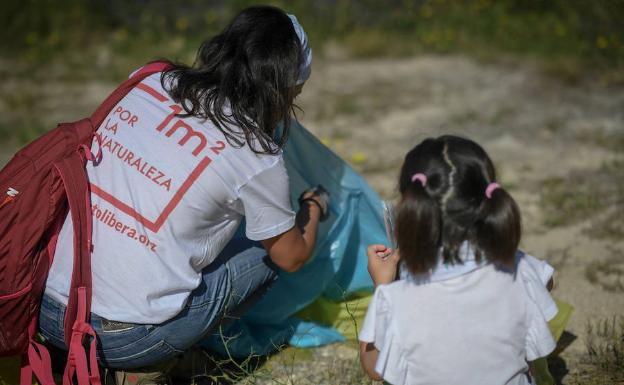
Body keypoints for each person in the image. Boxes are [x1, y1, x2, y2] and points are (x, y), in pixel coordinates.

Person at [38, 5, 325, 374]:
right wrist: (313, 207)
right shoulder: (256, 154)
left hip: (45, 305)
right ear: (284, 87)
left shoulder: (147, 78)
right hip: (125, 340)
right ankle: (181, 363)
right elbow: (292, 257)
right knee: (267, 254)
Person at [359, 135, 557, 385]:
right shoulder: (517, 267)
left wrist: (382, 286)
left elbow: (374, 367)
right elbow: (546, 285)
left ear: (412, 206)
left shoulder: (396, 297)